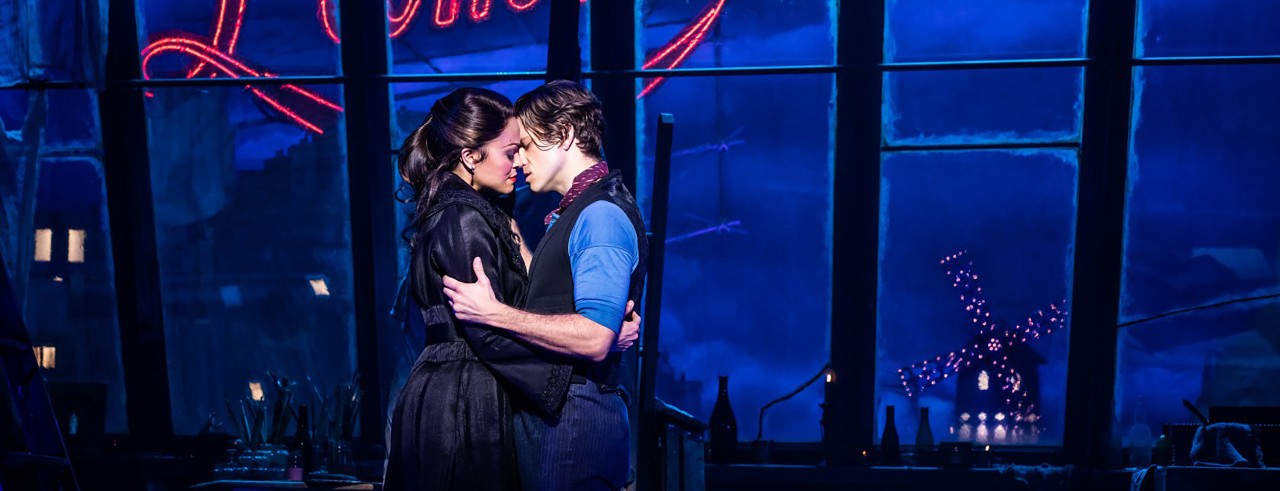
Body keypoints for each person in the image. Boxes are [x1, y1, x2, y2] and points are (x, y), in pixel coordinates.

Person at [383, 87, 639, 491]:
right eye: (510, 150)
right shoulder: (465, 218)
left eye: (524, 146)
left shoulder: (595, 214)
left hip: (494, 401)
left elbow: (547, 316)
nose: (519, 160)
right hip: (465, 402)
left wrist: (601, 334)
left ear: (566, 135)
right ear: (470, 157)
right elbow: (492, 327)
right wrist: (597, 338)